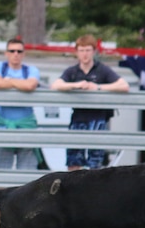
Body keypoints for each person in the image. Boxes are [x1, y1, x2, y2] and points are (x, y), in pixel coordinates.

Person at [50, 34, 129, 170]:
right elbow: (55, 85)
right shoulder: (73, 71)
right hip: (78, 119)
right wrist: (76, 85)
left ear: (93, 51)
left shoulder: (102, 69)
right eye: (81, 50)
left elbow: (124, 85)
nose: (85, 54)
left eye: (88, 50)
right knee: (74, 161)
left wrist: (98, 87)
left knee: (95, 163)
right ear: (77, 53)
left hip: (98, 119)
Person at [0, 38, 41, 170]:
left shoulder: (31, 69)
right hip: (4, 127)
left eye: (19, 51)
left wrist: (9, 81)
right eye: (12, 51)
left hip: (27, 126)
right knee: (1, 173)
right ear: (6, 53)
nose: (15, 54)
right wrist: (18, 83)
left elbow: (30, 85)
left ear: (24, 54)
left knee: (27, 177)